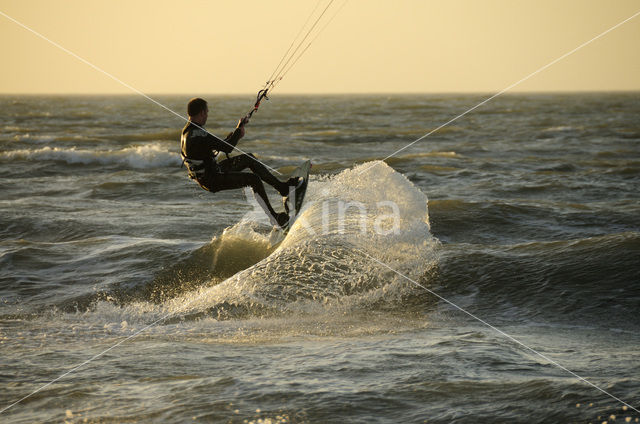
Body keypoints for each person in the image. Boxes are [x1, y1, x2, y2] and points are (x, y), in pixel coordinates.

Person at [180, 97, 298, 227]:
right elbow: (228, 148)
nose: (207, 115)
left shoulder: (188, 131)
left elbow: (216, 145)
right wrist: (237, 133)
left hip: (212, 172)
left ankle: (282, 188)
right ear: (202, 112)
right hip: (212, 178)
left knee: (249, 158)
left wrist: (237, 130)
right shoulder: (198, 133)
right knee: (253, 179)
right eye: (207, 112)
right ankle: (274, 217)